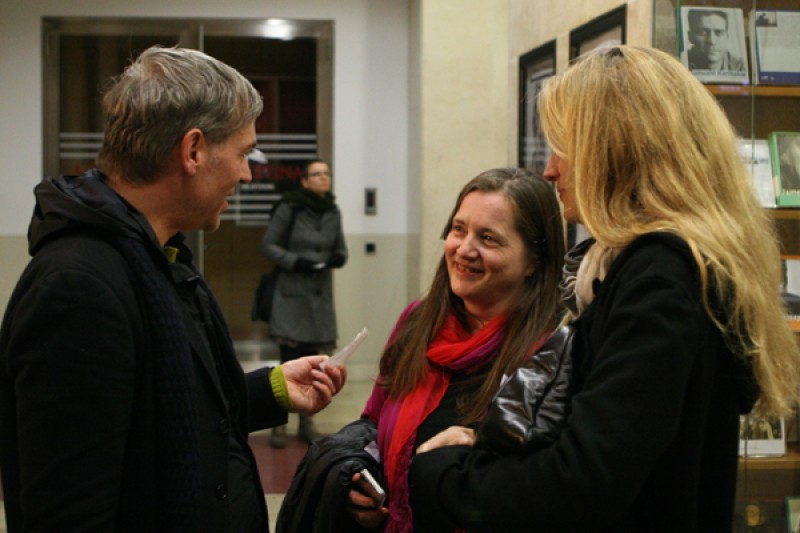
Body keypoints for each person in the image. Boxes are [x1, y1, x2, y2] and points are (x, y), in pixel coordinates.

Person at [408, 45, 800, 532]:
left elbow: (584, 482)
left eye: (563, 147)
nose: (550, 171)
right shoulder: (652, 268)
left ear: (615, 153)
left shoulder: (660, 277)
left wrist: (442, 476)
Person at [0, 46, 345, 532]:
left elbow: (161, 415)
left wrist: (270, 391)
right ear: (194, 150)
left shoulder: (159, 256)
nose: (247, 174)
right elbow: (70, 513)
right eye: (243, 154)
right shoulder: (78, 289)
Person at [346, 168, 566, 532]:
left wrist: (481, 447)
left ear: (533, 262)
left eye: (489, 239)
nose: (464, 249)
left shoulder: (549, 356)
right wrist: (361, 484)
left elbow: (551, 484)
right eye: (458, 229)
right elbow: (373, 422)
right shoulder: (419, 322)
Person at [260, 158, 348, 448]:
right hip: (291, 292)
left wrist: (338, 258)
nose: (323, 178)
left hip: (319, 295)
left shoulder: (333, 210)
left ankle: (307, 421)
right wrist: (297, 261)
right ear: (305, 181)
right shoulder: (290, 206)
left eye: (327, 173)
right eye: (317, 174)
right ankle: (277, 423)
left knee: (314, 362)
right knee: (289, 358)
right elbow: (269, 245)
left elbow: (341, 249)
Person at [683, 8, 745, 73]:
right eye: (703, 33)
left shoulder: (739, 66)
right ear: (690, 36)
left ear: (727, 37)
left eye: (719, 33)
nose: (712, 41)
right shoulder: (681, 62)